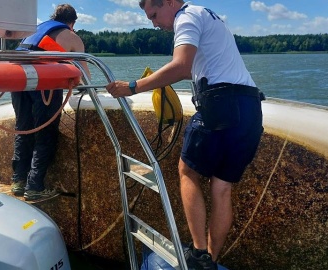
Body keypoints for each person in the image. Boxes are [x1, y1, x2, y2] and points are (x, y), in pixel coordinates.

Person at [106, 0, 263, 269]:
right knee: (221, 187)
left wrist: (132, 87)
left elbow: (181, 66)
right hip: (250, 109)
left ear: (169, 3)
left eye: (154, 15)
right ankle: (210, 260)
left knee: (187, 171)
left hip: (220, 105)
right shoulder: (208, 15)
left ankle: (199, 252)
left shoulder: (186, 16)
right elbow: (193, 67)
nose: (154, 23)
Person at [11, 4, 90, 201]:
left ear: (53, 17)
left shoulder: (33, 31)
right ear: (72, 23)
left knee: (23, 129)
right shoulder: (72, 37)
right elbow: (85, 77)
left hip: (17, 80)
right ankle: (35, 186)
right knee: (46, 133)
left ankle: (18, 181)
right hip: (43, 84)